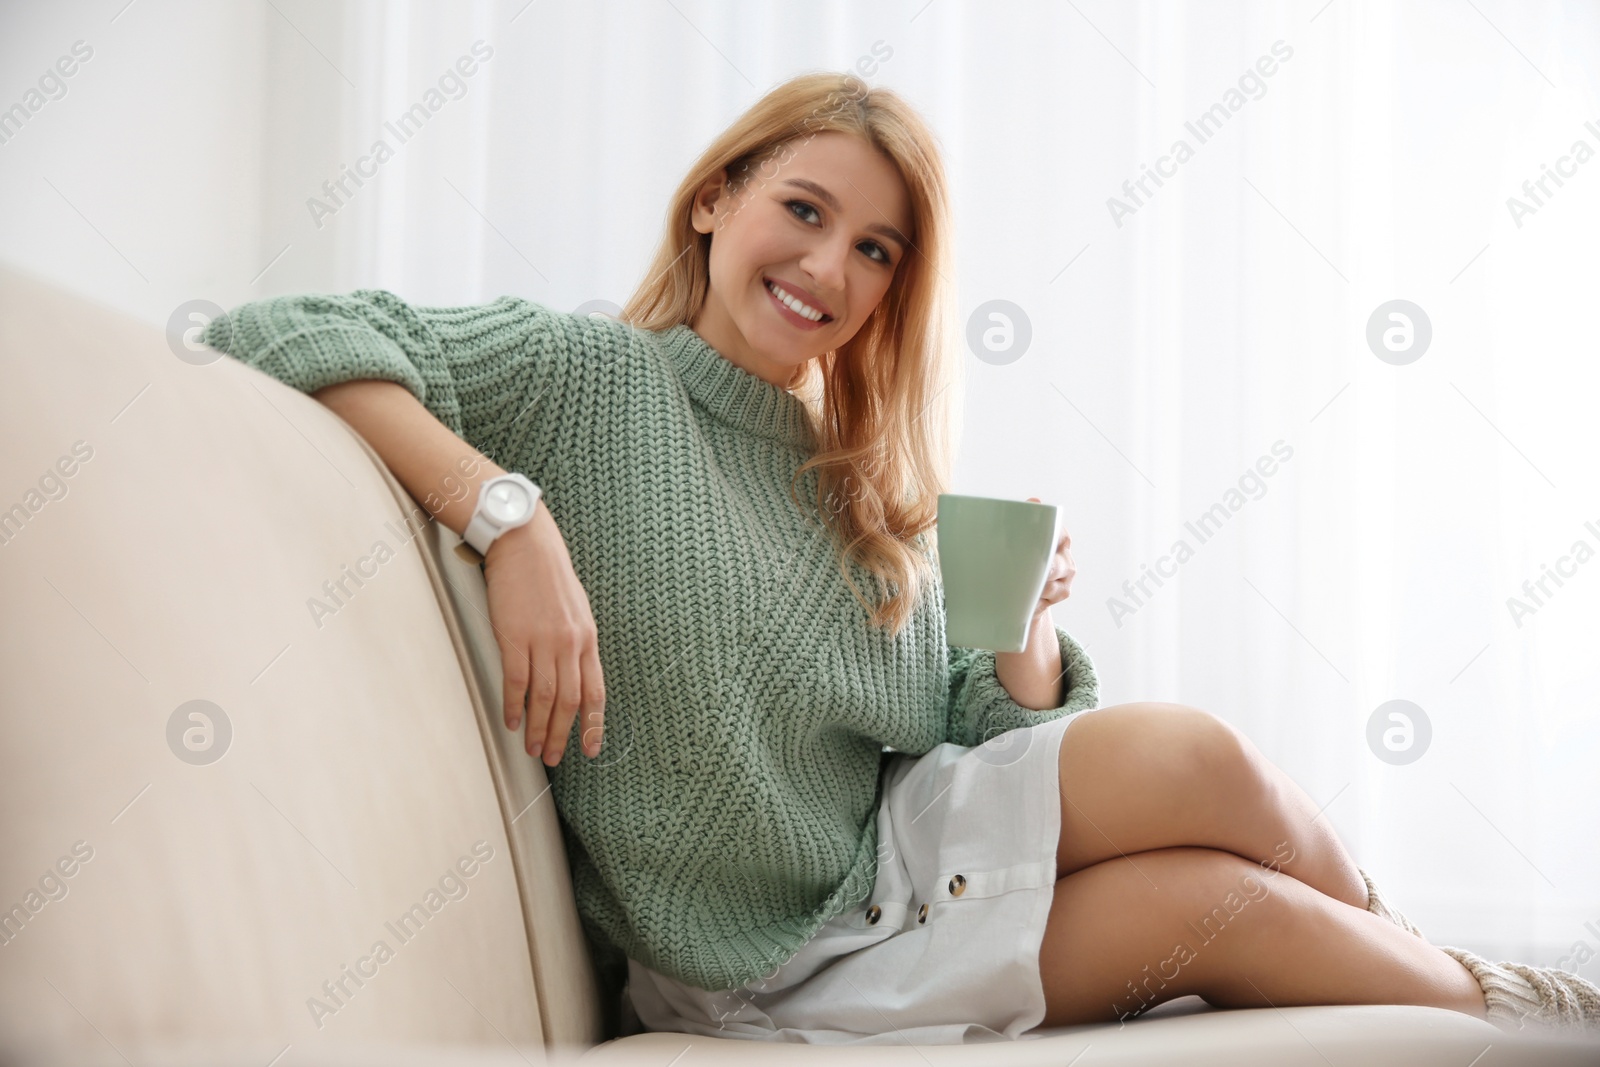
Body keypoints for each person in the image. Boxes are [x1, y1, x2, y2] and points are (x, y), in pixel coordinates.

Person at [199, 70, 1599, 1043]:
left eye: (876, 249)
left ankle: (1500, 990)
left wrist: (1022, 642)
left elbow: (971, 729)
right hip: (773, 963)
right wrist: (509, 517)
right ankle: (1519, 1011)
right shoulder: (589, 377)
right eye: (803, 210)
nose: (832, 269)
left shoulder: (859, 480)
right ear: (715, 200)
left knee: (1204, 764)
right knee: (1227, 909)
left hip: (909, 844)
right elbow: (276, 330)